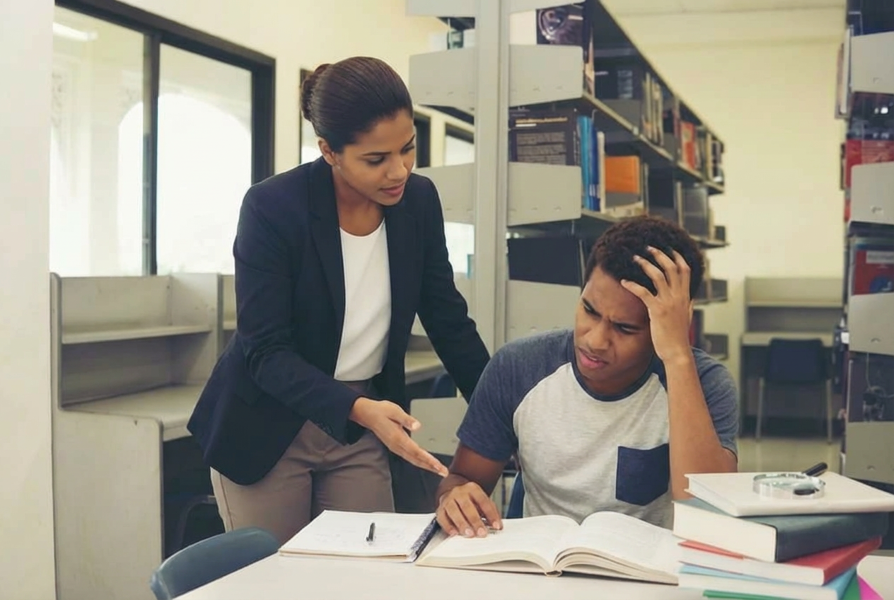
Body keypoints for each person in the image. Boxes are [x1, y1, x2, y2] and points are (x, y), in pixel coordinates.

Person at [187, 56, 490, 544]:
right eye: (376, 159)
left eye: (408, 149)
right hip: (269, 425)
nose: (399, 171)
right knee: (275, 580)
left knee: (371, 575)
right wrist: (359, 408)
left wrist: (502, 413)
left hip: (361, 427)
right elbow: (265, 351)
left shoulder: (418, 201)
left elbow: (447, 319)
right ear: (329, 151)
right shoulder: (273, 208)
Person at [435, 215, 739, 538]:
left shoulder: (705, 383)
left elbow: (709, 512)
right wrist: (453, 497)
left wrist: (678, 357)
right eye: (589, 310)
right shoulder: (518, 367)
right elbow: (461, 480)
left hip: (647, 579)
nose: (595, 340)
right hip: (543, 575)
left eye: (625, 328)